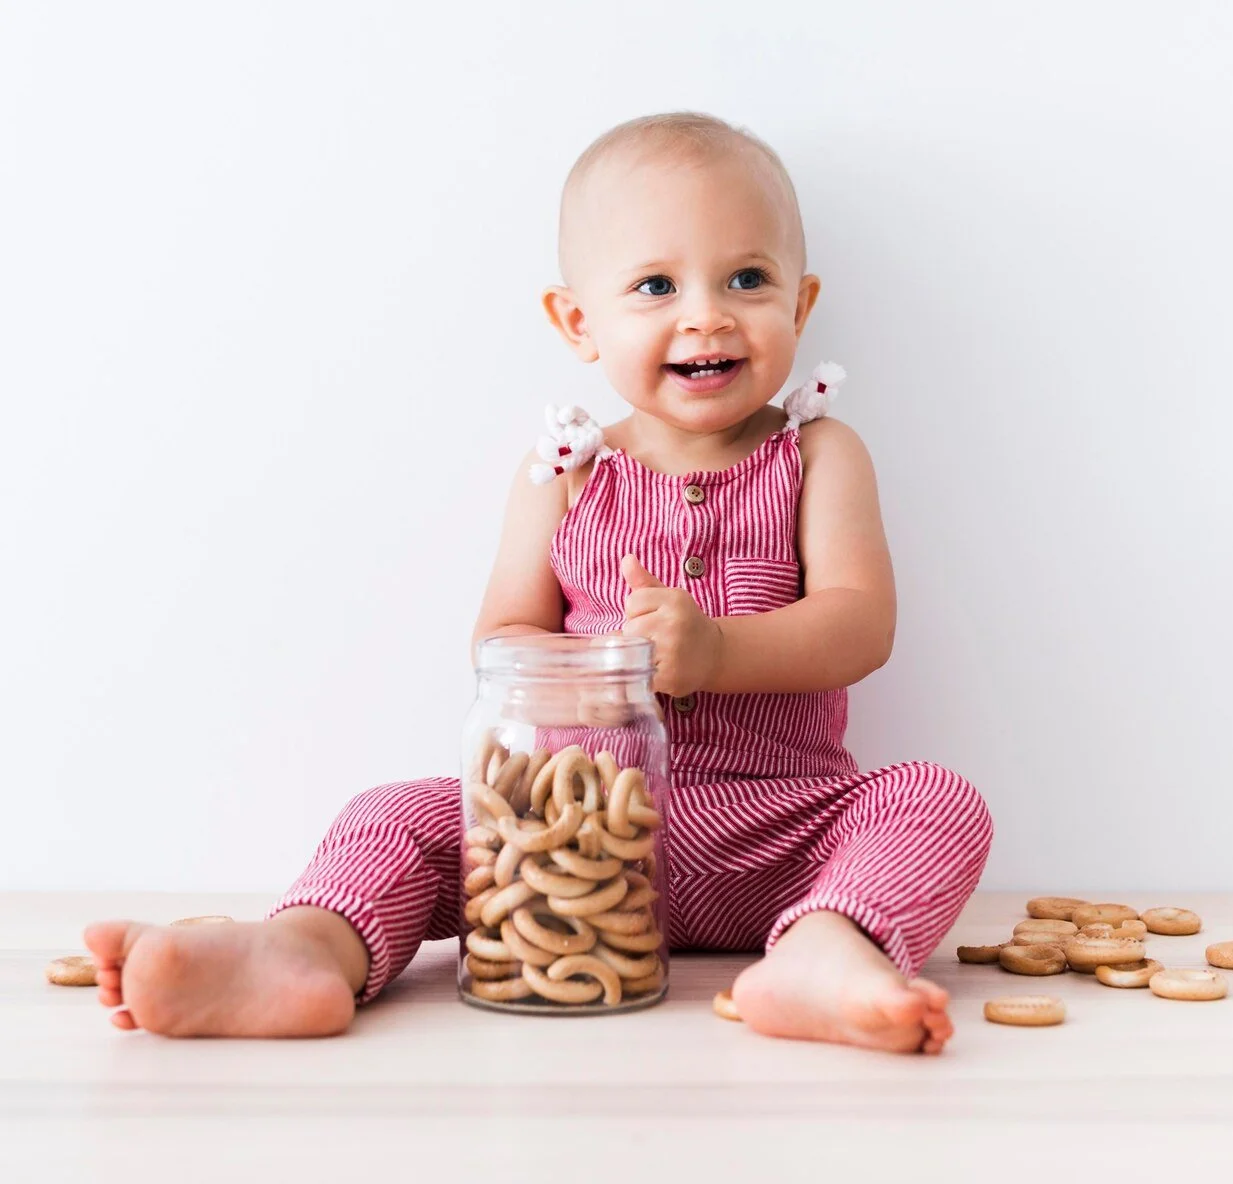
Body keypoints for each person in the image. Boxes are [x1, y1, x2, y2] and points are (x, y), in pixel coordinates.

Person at [83, 111, 993, 1054]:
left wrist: (720, 649)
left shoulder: (820, 455)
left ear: (799, 308)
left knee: (934, 799)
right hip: (578, 833)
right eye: (654, 285)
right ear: (578, 322)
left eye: (747, 279)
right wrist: (593, 677)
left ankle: (823, 948)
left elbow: (860, 625)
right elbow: (501, 640)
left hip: (786, 828)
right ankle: (304, 950)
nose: (707, 314)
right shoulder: (563, 473)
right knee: (398, 813)